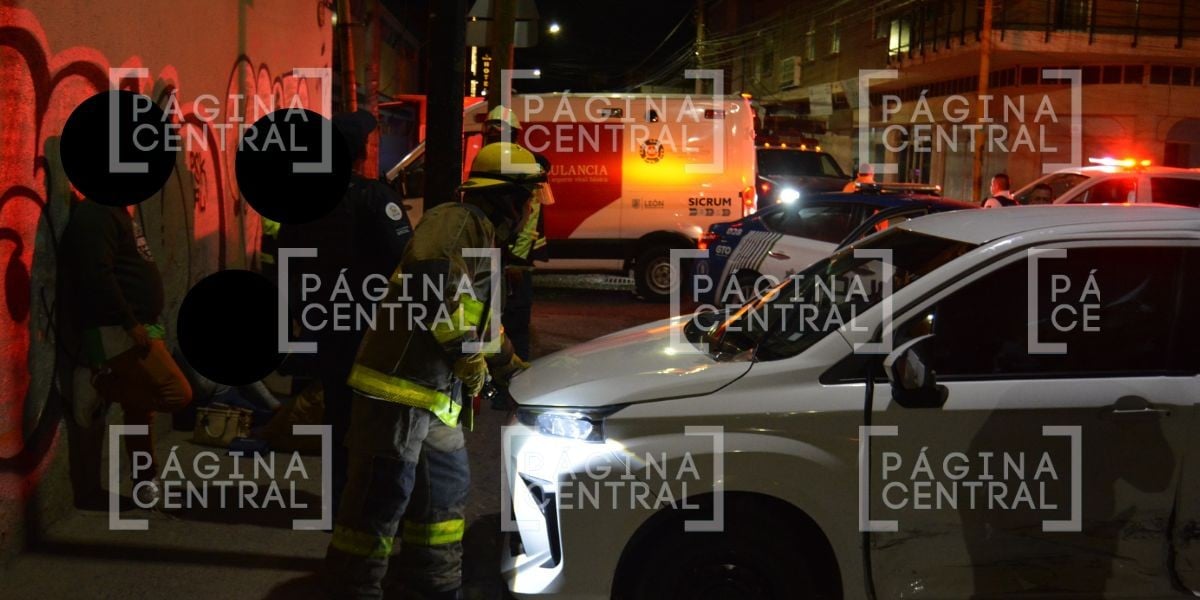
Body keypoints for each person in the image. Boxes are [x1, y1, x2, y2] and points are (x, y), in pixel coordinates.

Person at [324, 142, 535, 599]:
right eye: (529, 197)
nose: (531, 209)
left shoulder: (482, 239)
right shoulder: (455, 221)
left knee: (442, 497)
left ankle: (432, 586)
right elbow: (428, 280)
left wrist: (514, 370)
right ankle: (353, 590)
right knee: (379, 503)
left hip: (436, 401)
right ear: (506, 196)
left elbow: (482, 325)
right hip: (396, 393)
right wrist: (465, 353)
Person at [278, 109, 413, 513]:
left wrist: (298, 314)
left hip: (325, 322)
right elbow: (403, 260)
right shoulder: (374, 198)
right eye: (371, 144)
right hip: (372, 328)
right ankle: (367, 505)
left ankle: (338, 504)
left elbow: (288, 259)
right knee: (377, 420)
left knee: (337, 414)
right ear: (359, 152)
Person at [59, 199, 193, 506]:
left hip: (137, 326)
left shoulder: (115, 210)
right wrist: (130, 322)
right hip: (117, 330)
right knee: (177, 394)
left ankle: (145, 482)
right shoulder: (95, 212)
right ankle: (99, 383)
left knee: (138, 408)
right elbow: (96, 274)